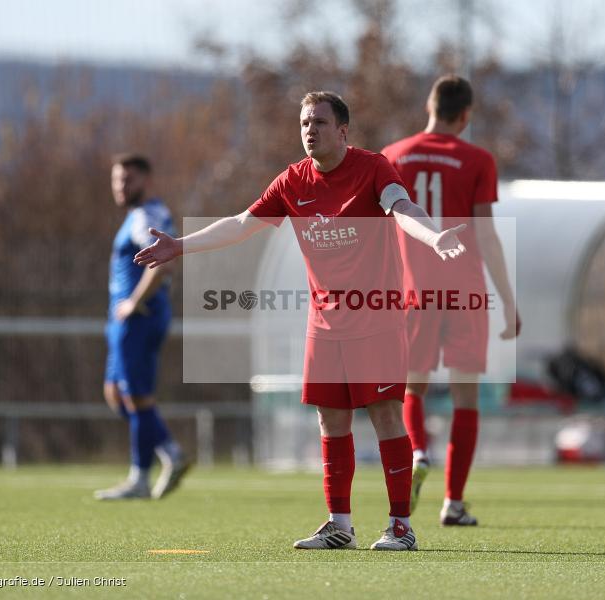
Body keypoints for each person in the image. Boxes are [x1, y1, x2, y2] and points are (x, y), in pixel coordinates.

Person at [135, 92, 467, 550]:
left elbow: (403, 208)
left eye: (320, 122)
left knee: (386, 415)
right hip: (326, 324)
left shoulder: (373, 168)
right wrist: (180, 245)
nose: (310, 130)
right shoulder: (293, 180)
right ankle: (340, 526)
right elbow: (240, 223)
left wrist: (433, 238)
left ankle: (401, 527)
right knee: (331, 420)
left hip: (377, 318)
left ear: (343, 131)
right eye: (305, 123)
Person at [381, 75, 520, 526]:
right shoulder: (477, 159)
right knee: (465, 397)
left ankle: (419, 451)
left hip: (414, 289)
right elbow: (486, 233)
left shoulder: (393, 156)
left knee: (411, 387)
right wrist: (507, 299)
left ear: (429, 105)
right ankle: (453, 502)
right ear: (466, 115)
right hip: (464, 290)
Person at [94, 153, 190, 501]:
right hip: (126, 319)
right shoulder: (140, 214)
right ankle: (170, 451)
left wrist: (135, 301)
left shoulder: (146, 216)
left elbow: (162, 265)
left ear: (146, 181)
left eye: (128, 179)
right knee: (117, 394)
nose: (121, 186)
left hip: (139, 316)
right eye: (117, 179)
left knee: (135, 396)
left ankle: (139, 477)